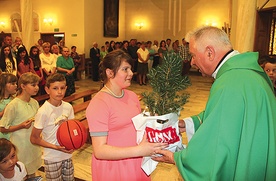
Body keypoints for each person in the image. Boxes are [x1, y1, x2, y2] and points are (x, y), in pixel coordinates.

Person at [152, 26, 276, 180]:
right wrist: (190, 123)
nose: (192, 62)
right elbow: (230, 116)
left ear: (209, 53)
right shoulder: (247, 73)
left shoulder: (230, 83)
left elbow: (216, 147)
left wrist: (177, 159)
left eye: (194, 55)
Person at [86, 49, 167, 181]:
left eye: (130, 69)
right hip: (114, 167)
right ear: (110, 72)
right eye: (125, 69)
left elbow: (135, 126)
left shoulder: (132, 96)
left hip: (136, 161)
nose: (131, 73)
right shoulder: (99, 103)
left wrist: (153, 121)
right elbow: (99, 151)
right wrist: (139, 150)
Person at [30, 73, 75, 181]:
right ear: (47, 89)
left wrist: (73, 143)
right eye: (55, 88)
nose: (59, 92)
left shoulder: (68, 107)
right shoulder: (43, 111)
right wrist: (55, 147)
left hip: (67, 155)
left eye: (62, 88)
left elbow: (72, 130)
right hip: (52, 157)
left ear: (66, 88)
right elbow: (34, 138)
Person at [0, 72, 42, 178]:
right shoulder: (13, 105)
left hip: (32, 145)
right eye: (33, 85)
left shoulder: (34, 102)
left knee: (32, 172)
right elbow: (3, 128)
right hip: (20, 147)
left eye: (37, 84)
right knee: (21, 174)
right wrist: (21, 126)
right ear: (23, 86)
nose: (36, 88)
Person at [0, 73, 18, 140]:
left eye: (16, 83)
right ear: (4, 85)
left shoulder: (15, 99)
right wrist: (4, 111)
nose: (16, 86)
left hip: (12, 133)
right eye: (13, 84)